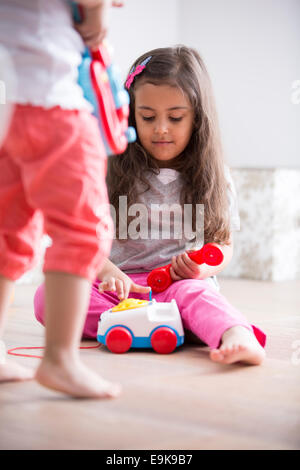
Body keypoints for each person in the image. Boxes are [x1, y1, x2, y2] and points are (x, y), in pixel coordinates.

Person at [34, 45, 267, 365]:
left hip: (179, 286)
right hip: (117, 288)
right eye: (147, 117)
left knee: (198, 297)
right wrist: (105, 270)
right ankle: (154, 322)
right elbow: (82, 235)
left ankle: (236, 334)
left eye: (175, 117)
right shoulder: (108, 167)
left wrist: (203, 267)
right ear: (130, 113)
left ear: (197, 118)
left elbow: (222, 244)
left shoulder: (212, 176)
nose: (161, 128)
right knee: (47, 298)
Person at [0, 0, 131, 398]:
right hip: (50, 101)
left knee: (7, 230)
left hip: (6, 106)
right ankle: (60, 359)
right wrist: (97, 10)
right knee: (83, 229)